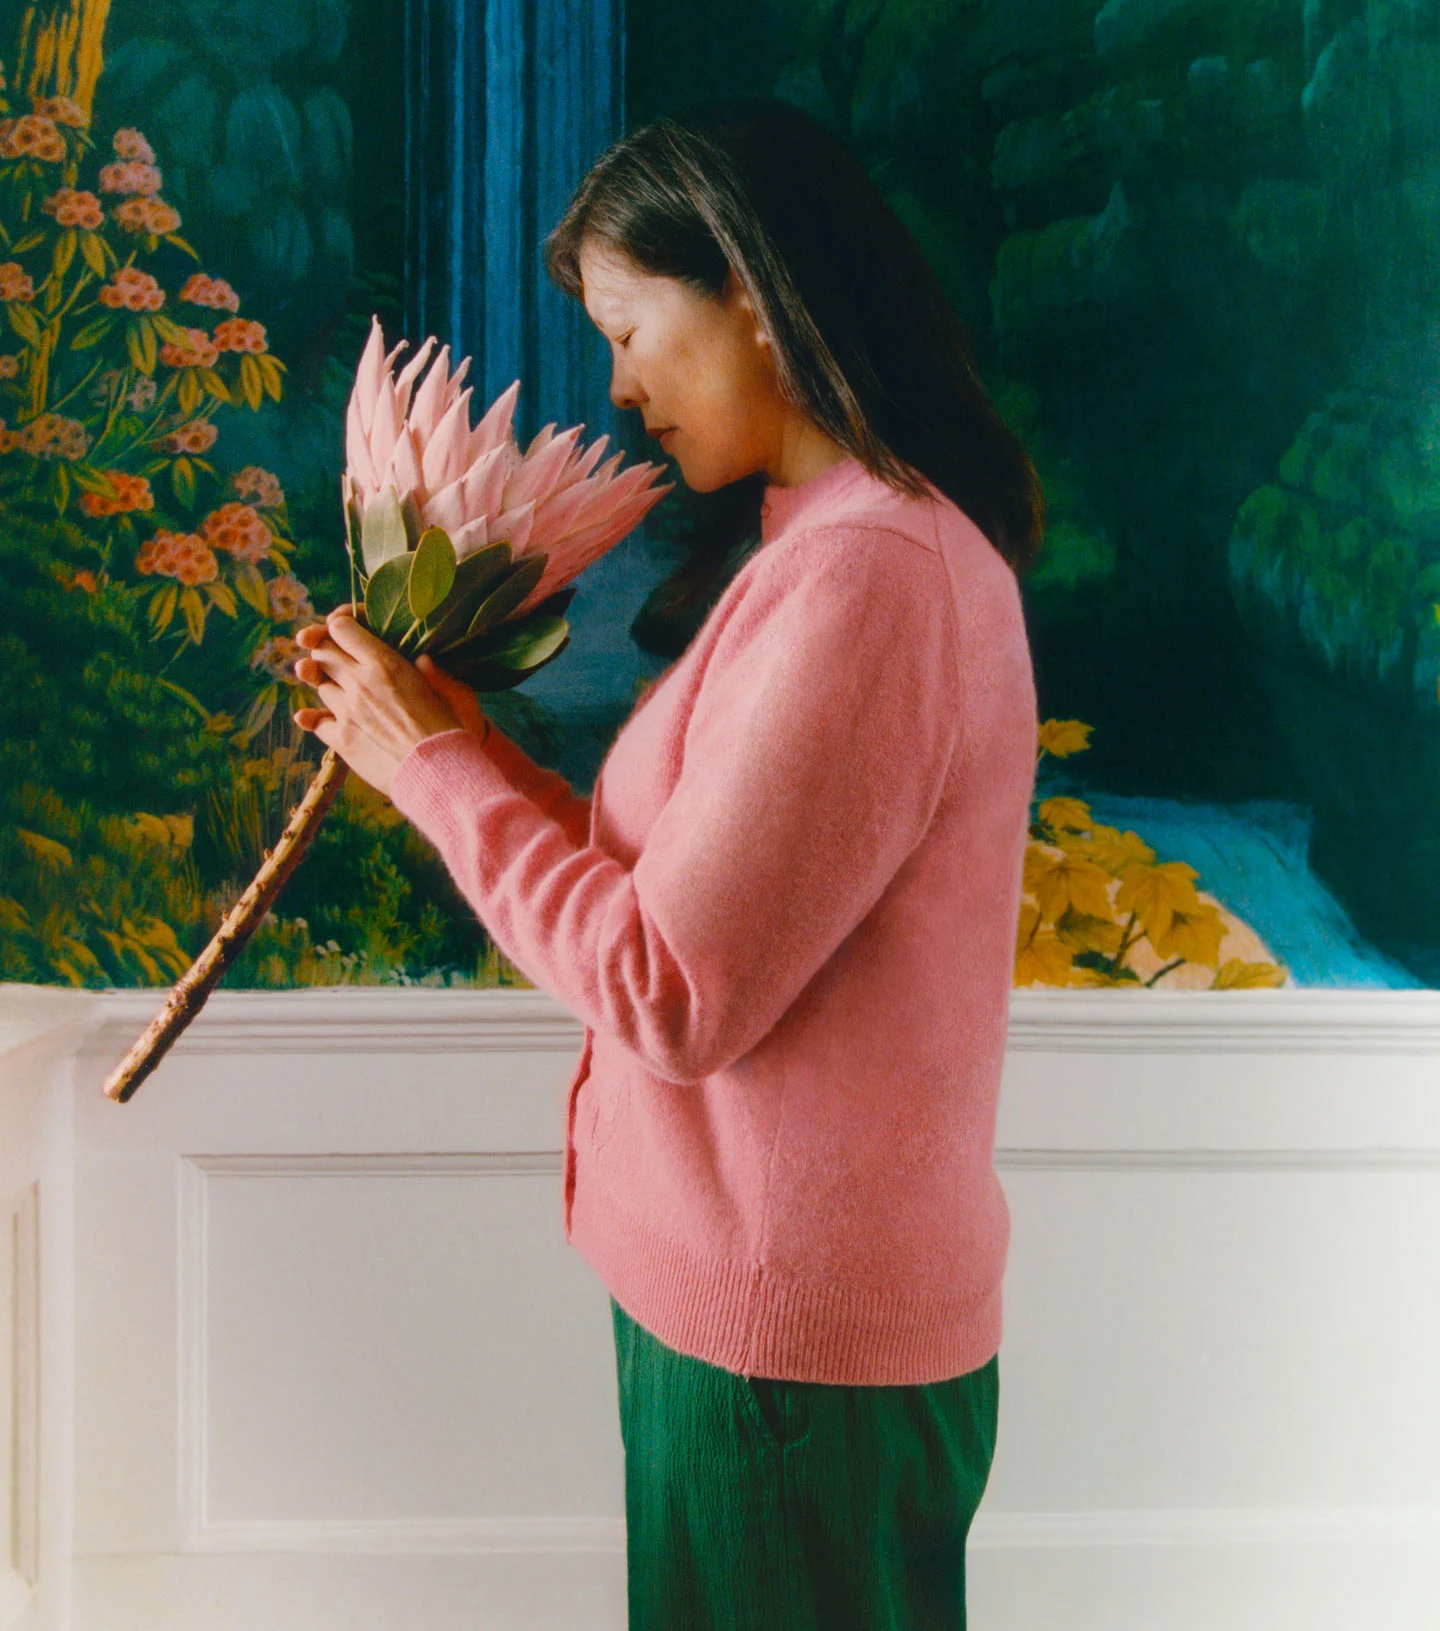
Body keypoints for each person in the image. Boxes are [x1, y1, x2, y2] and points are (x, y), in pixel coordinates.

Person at [292, 97, 1042, 1631]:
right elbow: (683, 901)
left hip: (789, 1357)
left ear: (755, 301)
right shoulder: (834, 549)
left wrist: (434, 777)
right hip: (773, 1335)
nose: (622, 389)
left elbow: (670, 985)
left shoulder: (870, 579)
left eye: (632, 329)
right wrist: (459, 749)